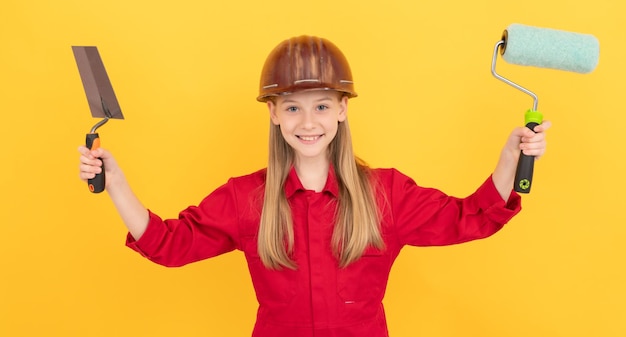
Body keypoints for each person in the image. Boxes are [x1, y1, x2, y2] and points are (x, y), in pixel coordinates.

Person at [78, 35, 550, 337]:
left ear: (343, 109)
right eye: (292, 108)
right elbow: (169, 244)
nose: (308, 122)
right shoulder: (247, 199)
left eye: (322, 106)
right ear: (273, 114)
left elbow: (471, 218)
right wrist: (116, 181)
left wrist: (510, 158)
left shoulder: (385, 195)